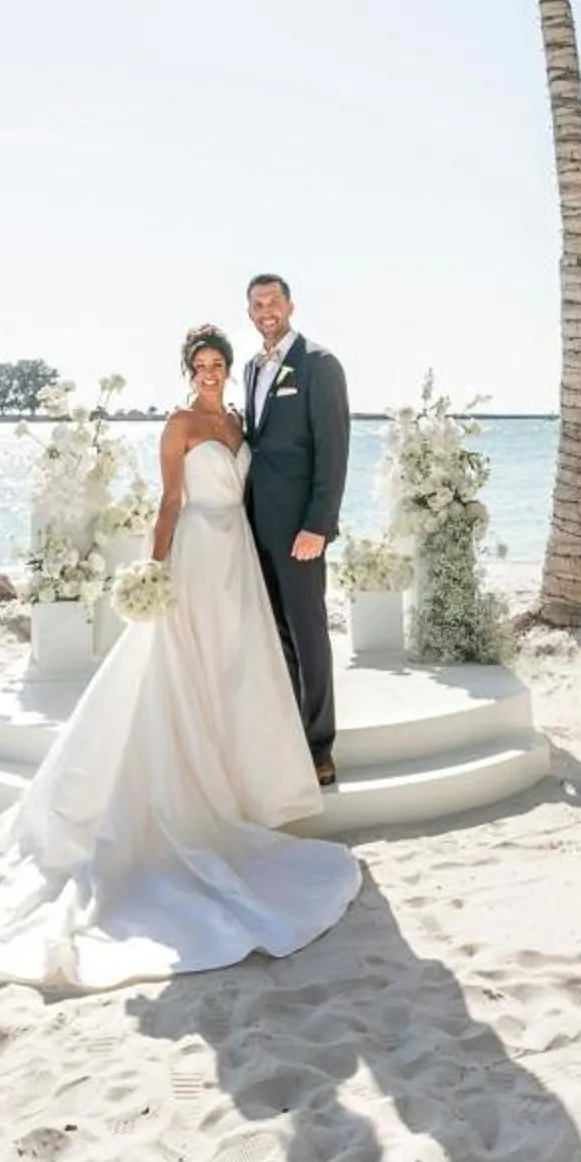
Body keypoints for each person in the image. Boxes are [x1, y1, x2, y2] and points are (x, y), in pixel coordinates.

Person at [0, 323, 360, 991]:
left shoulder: (236, 420)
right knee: (182, 669)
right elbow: (170, 502)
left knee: (236, 669)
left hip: (238, 560)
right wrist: (155, 572)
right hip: (195, 552)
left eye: (219, 362)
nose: (212, 371)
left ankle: (242, 777)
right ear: (187, 370)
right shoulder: (180, 424)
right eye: (202, 364)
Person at [240, 272, 347, 785]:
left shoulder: (319, 365)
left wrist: (318, 526)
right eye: (258, 303)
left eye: (274, 301)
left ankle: (320, 746)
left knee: (309, 633)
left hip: (301, 531)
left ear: (291, 306)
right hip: (256, 524)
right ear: (250, 312)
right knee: (277, 632)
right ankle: (290, 732)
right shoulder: (250, 368)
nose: (267, 310)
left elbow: (334, 453)